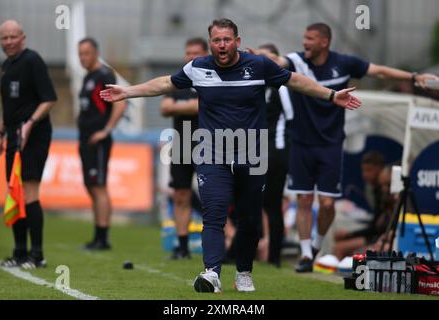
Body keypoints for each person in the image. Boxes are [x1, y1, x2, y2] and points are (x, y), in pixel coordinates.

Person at [100, 18, 361, 293]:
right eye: (216, 40)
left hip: (252, 152)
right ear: (210, 43)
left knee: (249, 218)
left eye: (227, 40)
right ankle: (211, 273)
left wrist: (331, 96)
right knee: (214, 212)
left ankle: (244, 272)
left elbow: (295, 80)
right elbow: (165, 83)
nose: (221, 45)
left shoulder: (258, 65)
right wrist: (127, 91)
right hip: (212, 152)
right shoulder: (198, 67)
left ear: (236, 41)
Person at [249, 22, 439, 272]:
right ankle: (306, 255)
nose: (304, 42)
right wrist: (254, 57)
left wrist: (413, 77)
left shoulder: (344, 63)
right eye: (304, 37)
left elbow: (379, 71)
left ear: (324, 42)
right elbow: (277, 59)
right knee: (304, 199)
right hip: (302, 144)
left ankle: (316, 245)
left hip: (330, 144)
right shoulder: (296, 60)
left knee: (327, 204)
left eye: (310, 38)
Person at [0, 20, 57, 269]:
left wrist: (29, 123)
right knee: (15, 192)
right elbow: (11, 107)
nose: (8, 42)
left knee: (29, 192)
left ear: (23, 37)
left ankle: (37, 255)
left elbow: (49, 99)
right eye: (4, 38)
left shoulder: (33, 61)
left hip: (35, 135)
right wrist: (0, 132)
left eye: (13, 37)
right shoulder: (8, 66)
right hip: (13, 137)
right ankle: (19, 253)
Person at [160, 38, 209, 259]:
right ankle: (181, 247)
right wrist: (191, 106)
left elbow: (203, 106)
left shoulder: (211, 78)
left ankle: (222, 242)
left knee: (212, 196)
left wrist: (179, 107)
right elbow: (164, 108)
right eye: (187, 52)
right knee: (181, 195)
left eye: (195, 53)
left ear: (206, 54)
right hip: (181, 144)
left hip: (208, 144)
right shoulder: (178, 80)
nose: (190, 57)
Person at [77, 37, 126, 250]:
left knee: (99, 186)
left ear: (96, 53)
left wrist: (105, 131)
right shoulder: (89, 76)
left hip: (98, 141)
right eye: (80, 54)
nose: (82, 58)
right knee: (91, 185)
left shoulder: (104, 75)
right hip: (86, 139)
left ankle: (103, 238)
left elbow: (120, 103)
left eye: (86, 53)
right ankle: (97, 235)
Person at [259, 43, 292, 268]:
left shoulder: (282, 85)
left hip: (276, 150)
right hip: (256, 148)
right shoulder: (258, 84)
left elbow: (292, 116)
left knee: (272, 204)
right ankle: (243, 250)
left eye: (266, 58)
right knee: (256, 202)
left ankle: (275, 257)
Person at [334, 165, 394, 259]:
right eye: (382, 186)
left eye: (388, 185)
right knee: (339, 247)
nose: (384, 189)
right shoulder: (382, 199)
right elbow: (374, 227)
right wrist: (350, 234)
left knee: (352, 252)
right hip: (375, 238)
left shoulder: (399, 203)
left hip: (381, 240)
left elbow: (389, 232)